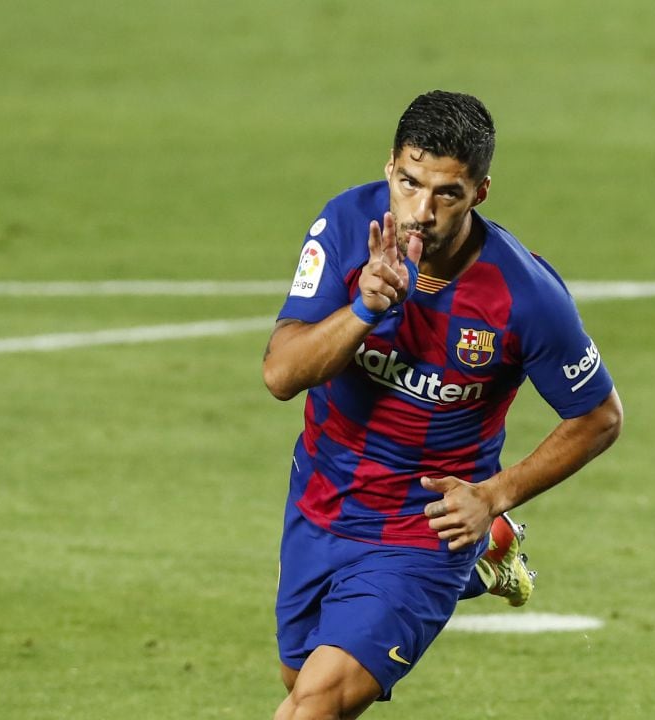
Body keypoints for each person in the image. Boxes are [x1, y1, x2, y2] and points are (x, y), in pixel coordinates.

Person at [262, 90, 623, 719]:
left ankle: (480, 541)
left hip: (423, 527)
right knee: (301, 685)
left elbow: (599, 415)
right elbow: (282, 374)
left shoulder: (524, 295)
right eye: (409, 182)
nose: (420, 211)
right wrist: (365, 310)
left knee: (310, 708)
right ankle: (492, 553)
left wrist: (494, 494)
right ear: (390, 167)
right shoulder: (348, 226)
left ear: (480, 192)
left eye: (447, 193)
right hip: (320, 500)